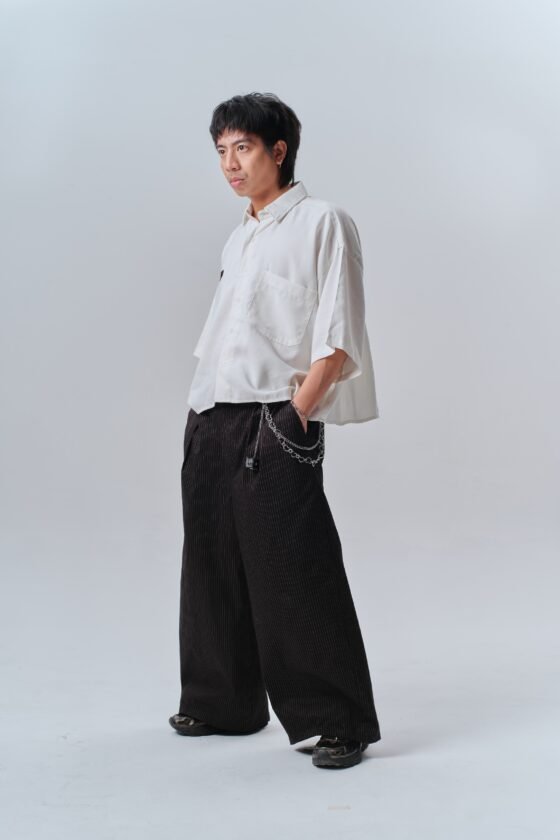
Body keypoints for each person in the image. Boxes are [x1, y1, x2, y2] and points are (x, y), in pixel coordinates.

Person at [169, 92, 382, 769]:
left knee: (295, 568)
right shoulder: (240, 236)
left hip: (274, 417)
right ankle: (223, 702)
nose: (230, 164)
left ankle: (338, 720)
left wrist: (298, 413)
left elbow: (338, 334)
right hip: (211, 413)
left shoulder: (323, 222)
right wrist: (198, 414)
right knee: (212, 566)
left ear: (278, 150)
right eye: (221, 151)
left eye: (244, 148)